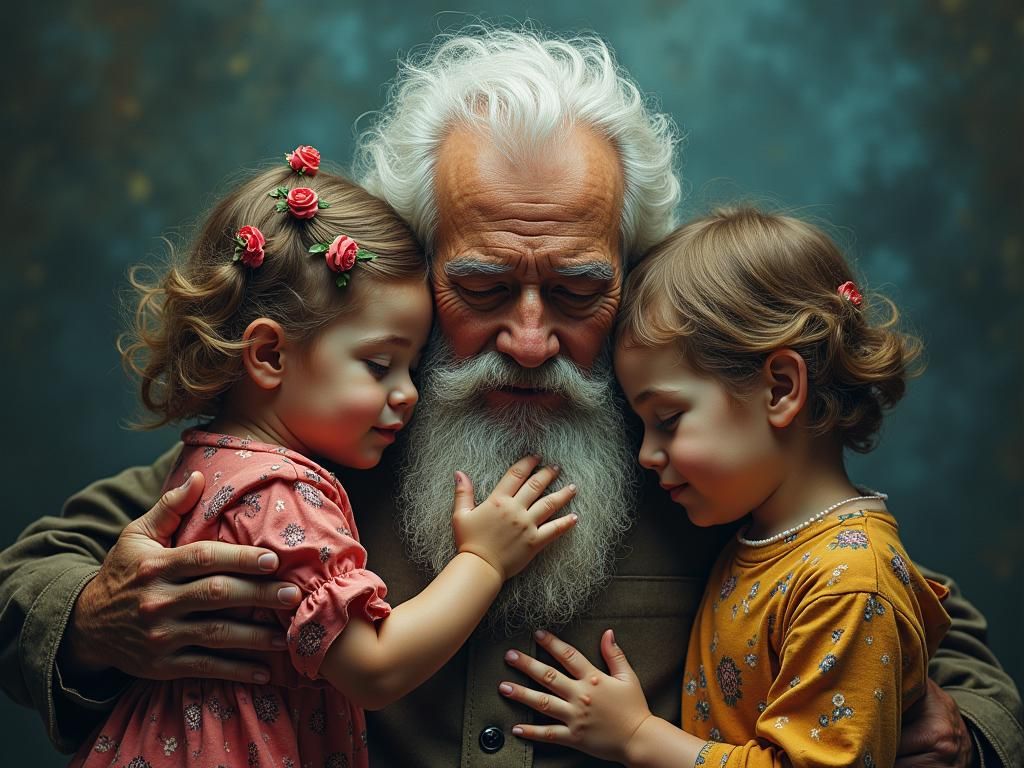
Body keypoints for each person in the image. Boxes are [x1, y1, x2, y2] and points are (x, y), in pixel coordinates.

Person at [2, 27, 1021, 768]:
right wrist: (93, 624)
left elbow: (932, 632)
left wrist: (959, 738)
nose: (530, 343)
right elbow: (29, 576)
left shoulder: (703, 445)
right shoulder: (332, 433)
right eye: (482, 288)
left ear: (630, 270)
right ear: (415, 266)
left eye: (578, 292)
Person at [67, 156, 577, 768]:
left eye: (414, 366)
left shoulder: (210, 458)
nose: (409, 393)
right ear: (269, 354)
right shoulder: (283, 493)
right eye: (379, 365)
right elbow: (375, 669)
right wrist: (484, 559)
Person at [498, 207, 954, 767]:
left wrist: (638, 736)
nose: (644, 454)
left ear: (781, 388)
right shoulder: (764, 535)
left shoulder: (850, 584)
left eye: (667, 419)